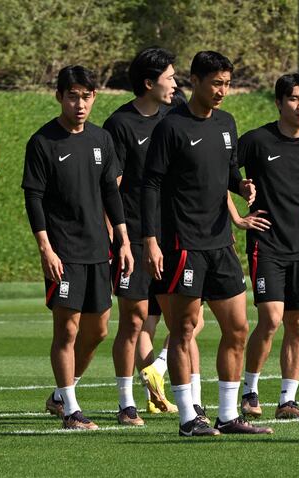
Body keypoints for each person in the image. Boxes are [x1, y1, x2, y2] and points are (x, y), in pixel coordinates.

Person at [142, 50, 272, 437]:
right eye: (216, 83)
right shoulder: (171, 127)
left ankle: (229, 415)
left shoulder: (227, 124)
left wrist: (242, 184)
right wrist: (150, 240)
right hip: (183, 244)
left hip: (221, 243)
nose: (222, 91)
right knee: (183, 329)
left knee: (237, 327)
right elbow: (150, 185)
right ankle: (187, 418)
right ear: (194, 81)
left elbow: (227, 172)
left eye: (227, 84)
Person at [22, 65, 133, 430]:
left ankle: (59, 396)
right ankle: (71, 410)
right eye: (73, 96)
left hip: (100, 251)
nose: (80, 104)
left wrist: (124, 239)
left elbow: (110, 192)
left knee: (98, 330)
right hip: (63, 252)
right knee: (66, 331)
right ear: (59, 97)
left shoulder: (101, 140)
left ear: (94, 98)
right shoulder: (42, 142)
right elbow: (34, 198)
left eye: (86, 96)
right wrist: (45, 248)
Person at [228, 72, 299, 420]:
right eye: (293, 99)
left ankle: (287, 402)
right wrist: (238, 214)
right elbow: (221, 172)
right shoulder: (257, 141)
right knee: (272, 318)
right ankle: (249, 392)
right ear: (279, 103)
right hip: (267, 242)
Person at [100, 47, 180, 425]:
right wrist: (116, 238)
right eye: (170, 77)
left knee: (185, 319)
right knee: (133, 321)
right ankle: (125, 402)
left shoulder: (174, 118)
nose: (176, 84)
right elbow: (110, 185)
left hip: (173, 235)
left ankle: (157, 373)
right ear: (149, 83)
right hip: (132, 236)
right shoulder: (120, 125)